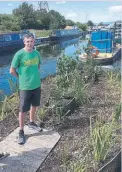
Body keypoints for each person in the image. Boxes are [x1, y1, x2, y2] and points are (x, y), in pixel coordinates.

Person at [10, 33, 42, 145]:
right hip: (25, 87)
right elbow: (12, 70)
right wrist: (21, 77)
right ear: (24, 42)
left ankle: (32, 122)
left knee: (34, 105)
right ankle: (21, 130)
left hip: (36, 85)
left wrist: (35, 77)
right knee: (23, 109)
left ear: (34, 42)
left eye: (31, 41)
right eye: (27, 41)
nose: (29, 43)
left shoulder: (37, 53)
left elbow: (38, 66)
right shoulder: (19, 54)